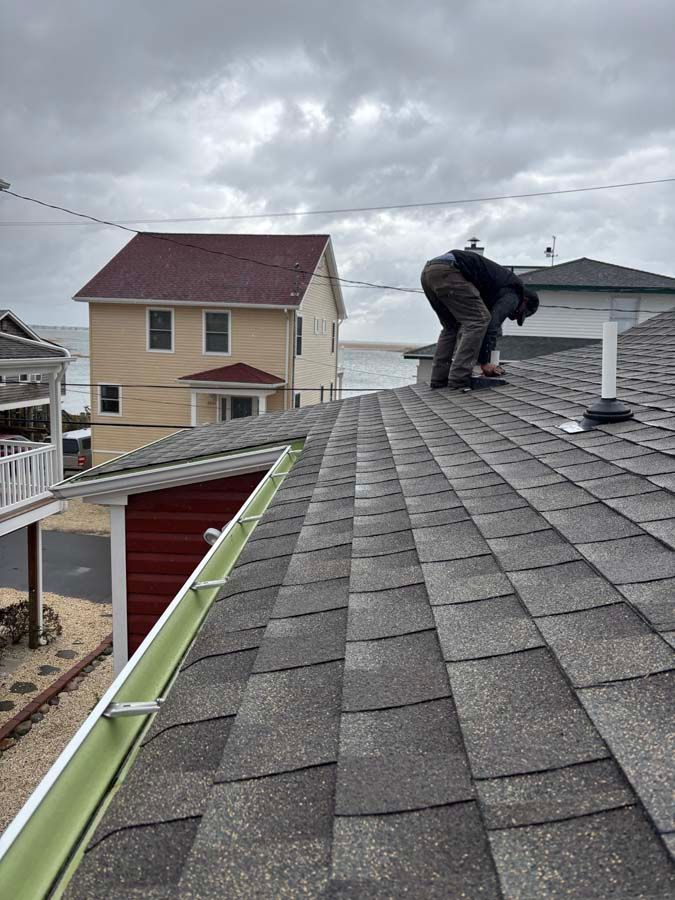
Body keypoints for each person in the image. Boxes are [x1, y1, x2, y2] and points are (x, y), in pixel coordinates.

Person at [420, 247, 540, 389]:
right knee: (479, 320)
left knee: (451, 326)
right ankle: (459, 379)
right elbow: (491, 324)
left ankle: (439, 380)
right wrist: (485, 362)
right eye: (518, 313)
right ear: (524, 301)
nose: (512, 316)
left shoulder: (496, 288)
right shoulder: (515, 293)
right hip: (451, 271)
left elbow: (489, 327)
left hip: (430, 272)